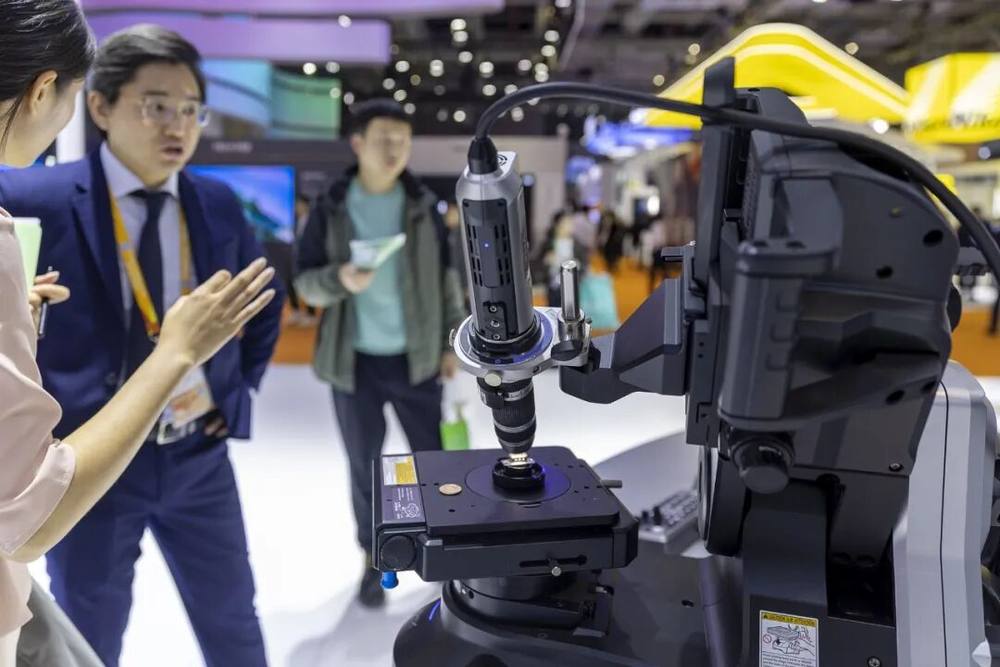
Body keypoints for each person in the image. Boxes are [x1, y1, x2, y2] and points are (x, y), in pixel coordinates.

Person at [0, 5, 276, 667]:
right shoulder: (33, 194)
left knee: (233, 618)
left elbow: (260, 309)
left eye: (191, 110)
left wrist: (231, 396)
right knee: (90, 630)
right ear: (98, 106)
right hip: (87, 463)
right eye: (156, 106)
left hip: (195, 454)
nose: (177, 125)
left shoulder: (218, 204)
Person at [295, 98, 466, 608]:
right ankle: (375, 560)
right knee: (366, 468)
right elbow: (305, 283)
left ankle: (446, 554)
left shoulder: (423, 205)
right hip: (354, 364)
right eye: (383, 139)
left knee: (434, 464)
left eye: (402, 140)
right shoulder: (330, 206)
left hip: (418, 359)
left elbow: (447, 278)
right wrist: (340, 280)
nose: (394, 149)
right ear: (358, 143)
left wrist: (451, 340)